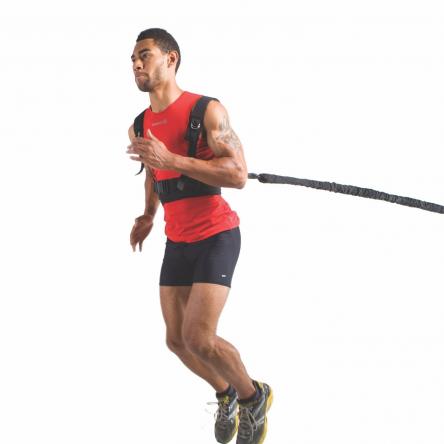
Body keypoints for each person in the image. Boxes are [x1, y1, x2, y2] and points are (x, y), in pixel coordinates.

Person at [126, 28, 273, 444]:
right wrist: (148, 214)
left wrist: (172, 157)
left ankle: (253, 396)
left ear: (171, 58)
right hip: (178, 239)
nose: (136, 63)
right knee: (176, 341)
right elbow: (154, 173)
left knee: (199, 337)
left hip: (216, 235)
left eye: (144, 54)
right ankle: (226, 393)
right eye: (132, 59)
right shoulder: (139, 125)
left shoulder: (207, 110)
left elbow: (238, 174)